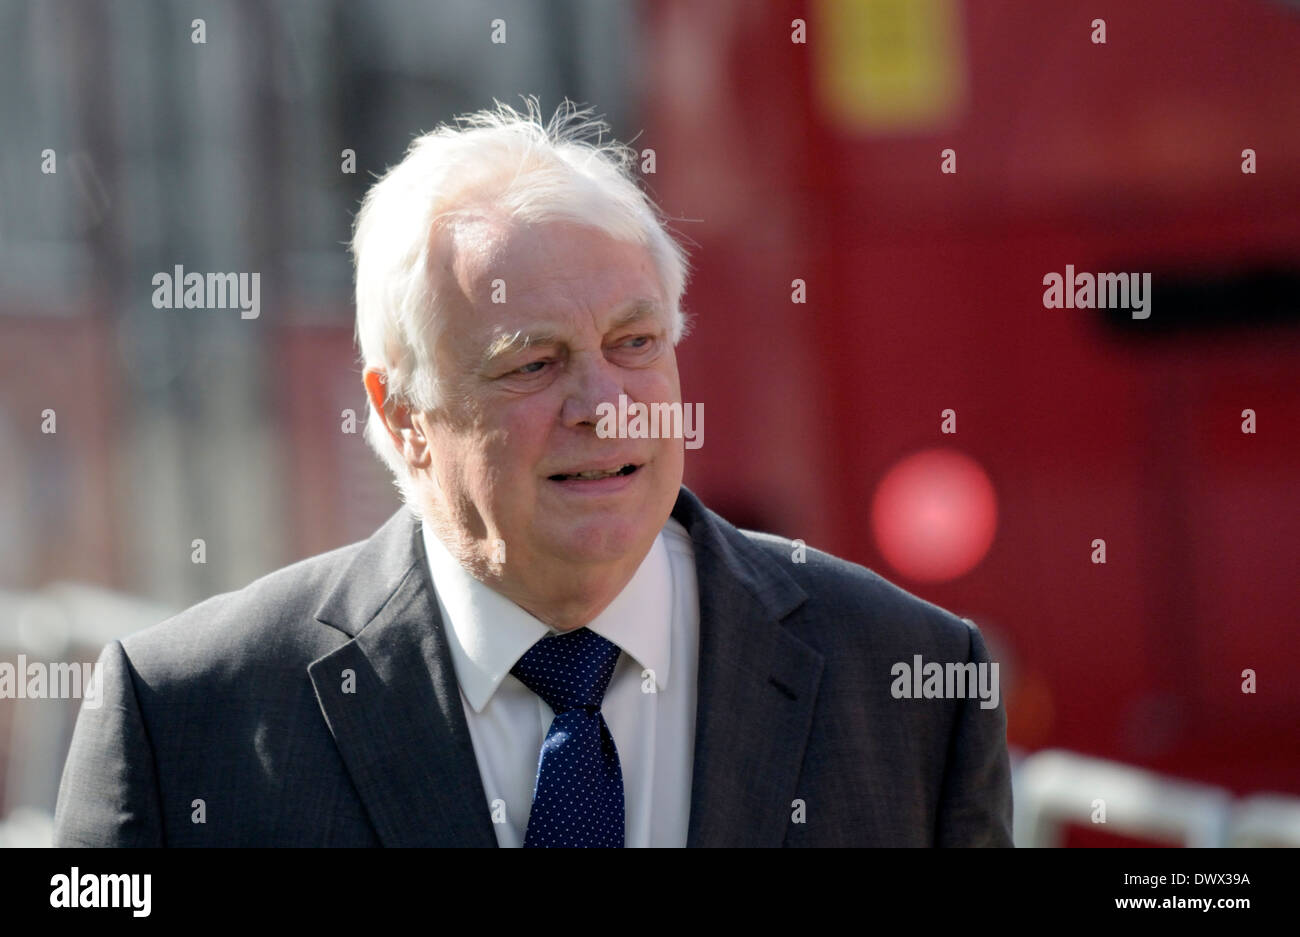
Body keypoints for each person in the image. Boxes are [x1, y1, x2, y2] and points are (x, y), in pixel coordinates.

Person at [54, 101, 1012, 847]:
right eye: (532, 362)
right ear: (401, 414)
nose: (607, 403)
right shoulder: (185, 718)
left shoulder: (910, 683)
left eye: (635, 343)